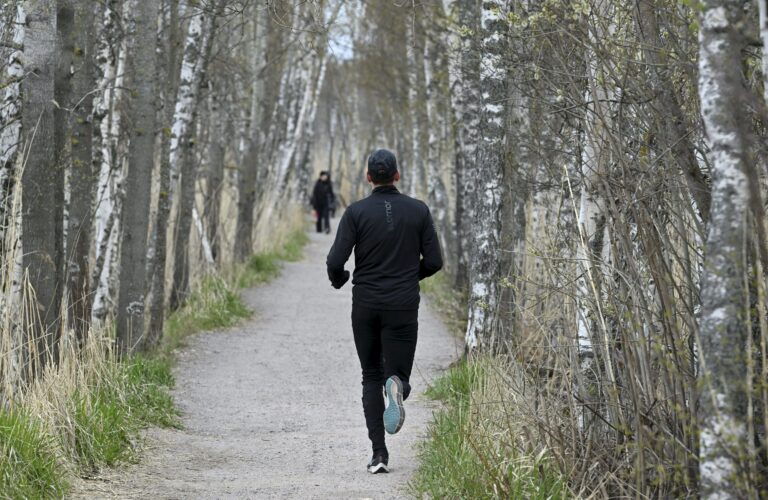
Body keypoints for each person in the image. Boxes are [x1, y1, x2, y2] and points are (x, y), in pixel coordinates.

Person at [326, 148, 443, 474]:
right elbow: (435, 262)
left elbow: (336, 261)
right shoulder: (418, 211)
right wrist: (409, 275)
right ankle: (398, 386)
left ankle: (378, 454)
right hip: (402, 306)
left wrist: (341, 279)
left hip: (366, 304)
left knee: (369, 376)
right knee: (397, 376)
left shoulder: (356, 213)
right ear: (397, 175)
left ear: (368, 177)